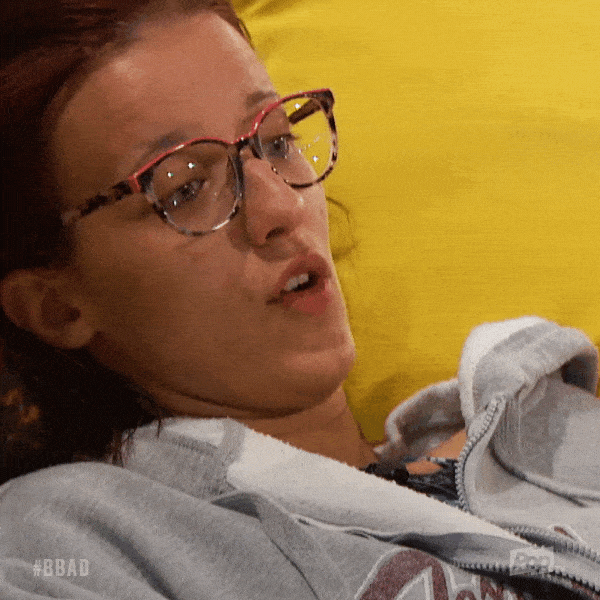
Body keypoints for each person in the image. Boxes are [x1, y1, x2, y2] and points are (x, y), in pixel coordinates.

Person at [0, 1, 598, 598]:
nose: (283, 206)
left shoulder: (548, 423)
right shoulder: (61, 543)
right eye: (185, 187)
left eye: (277, 140)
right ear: (58, 307)